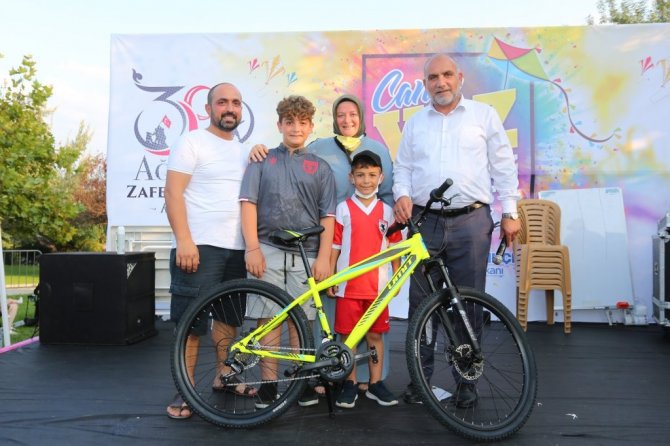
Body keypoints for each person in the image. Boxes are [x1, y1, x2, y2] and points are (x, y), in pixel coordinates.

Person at [392, 54, 521, 407]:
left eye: (447, 74)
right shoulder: (415, 123)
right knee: (422, 306)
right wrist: (401, 194)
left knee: (468, 304)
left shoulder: (484, 115)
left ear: (460, 77)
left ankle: (467, 381)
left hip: (471, 222)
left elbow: (504, 166)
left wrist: (510, 212)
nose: (441, 82)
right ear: (425, 84)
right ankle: (421, 380)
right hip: (424, 222)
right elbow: (402, 168)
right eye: (433, 77)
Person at [249, 93, 394, 393]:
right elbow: (290, 156)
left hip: (342, 244)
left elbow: (386, 194)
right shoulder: (313, 149)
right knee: (310, 318)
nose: (347, 120)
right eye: (341, 114)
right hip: (317, 242)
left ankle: (363, 379)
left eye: (353, 114)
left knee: (361, 323)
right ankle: (307, 378)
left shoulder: (375, 150)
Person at [164, 82, 256, 420]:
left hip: (236, 249)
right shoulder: (192, 142)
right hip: (198, 247)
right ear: (208, 108)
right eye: (222, 102)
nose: (229, 108)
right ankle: (185, 388)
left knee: (229, 320)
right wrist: (184, 240)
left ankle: (224, 377)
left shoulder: (245, 151)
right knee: (190, 323)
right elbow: (173, 193)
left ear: (241, 109)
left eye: (236, 102)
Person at [239, 95, 336, 409]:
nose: (296, 128)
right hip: (267, 250)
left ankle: (300, 381)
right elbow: (248, 204)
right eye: (289, 121)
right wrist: (252, 248)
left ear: (311, 126)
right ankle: (268, 385)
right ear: (279, 124)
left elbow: (328, 216)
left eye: (302, 122)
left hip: (307, 254)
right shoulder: (262, 160)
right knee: (268, 319)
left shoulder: (321, 167)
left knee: (302, 321)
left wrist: (324, 257)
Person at [329, 150, 401, 409]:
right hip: (348, 288)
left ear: (381, 178)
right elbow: (335, 246)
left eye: (372, 175)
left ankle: (375, 383)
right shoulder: (343, 209)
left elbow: (395, 248)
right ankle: (349, 383)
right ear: (351, 177)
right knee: (348, 339)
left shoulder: (388, 211)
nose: (366, 180)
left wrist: (397, 279)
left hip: (377, 289)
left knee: (374, 336)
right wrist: (332, 276)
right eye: (360, 175)